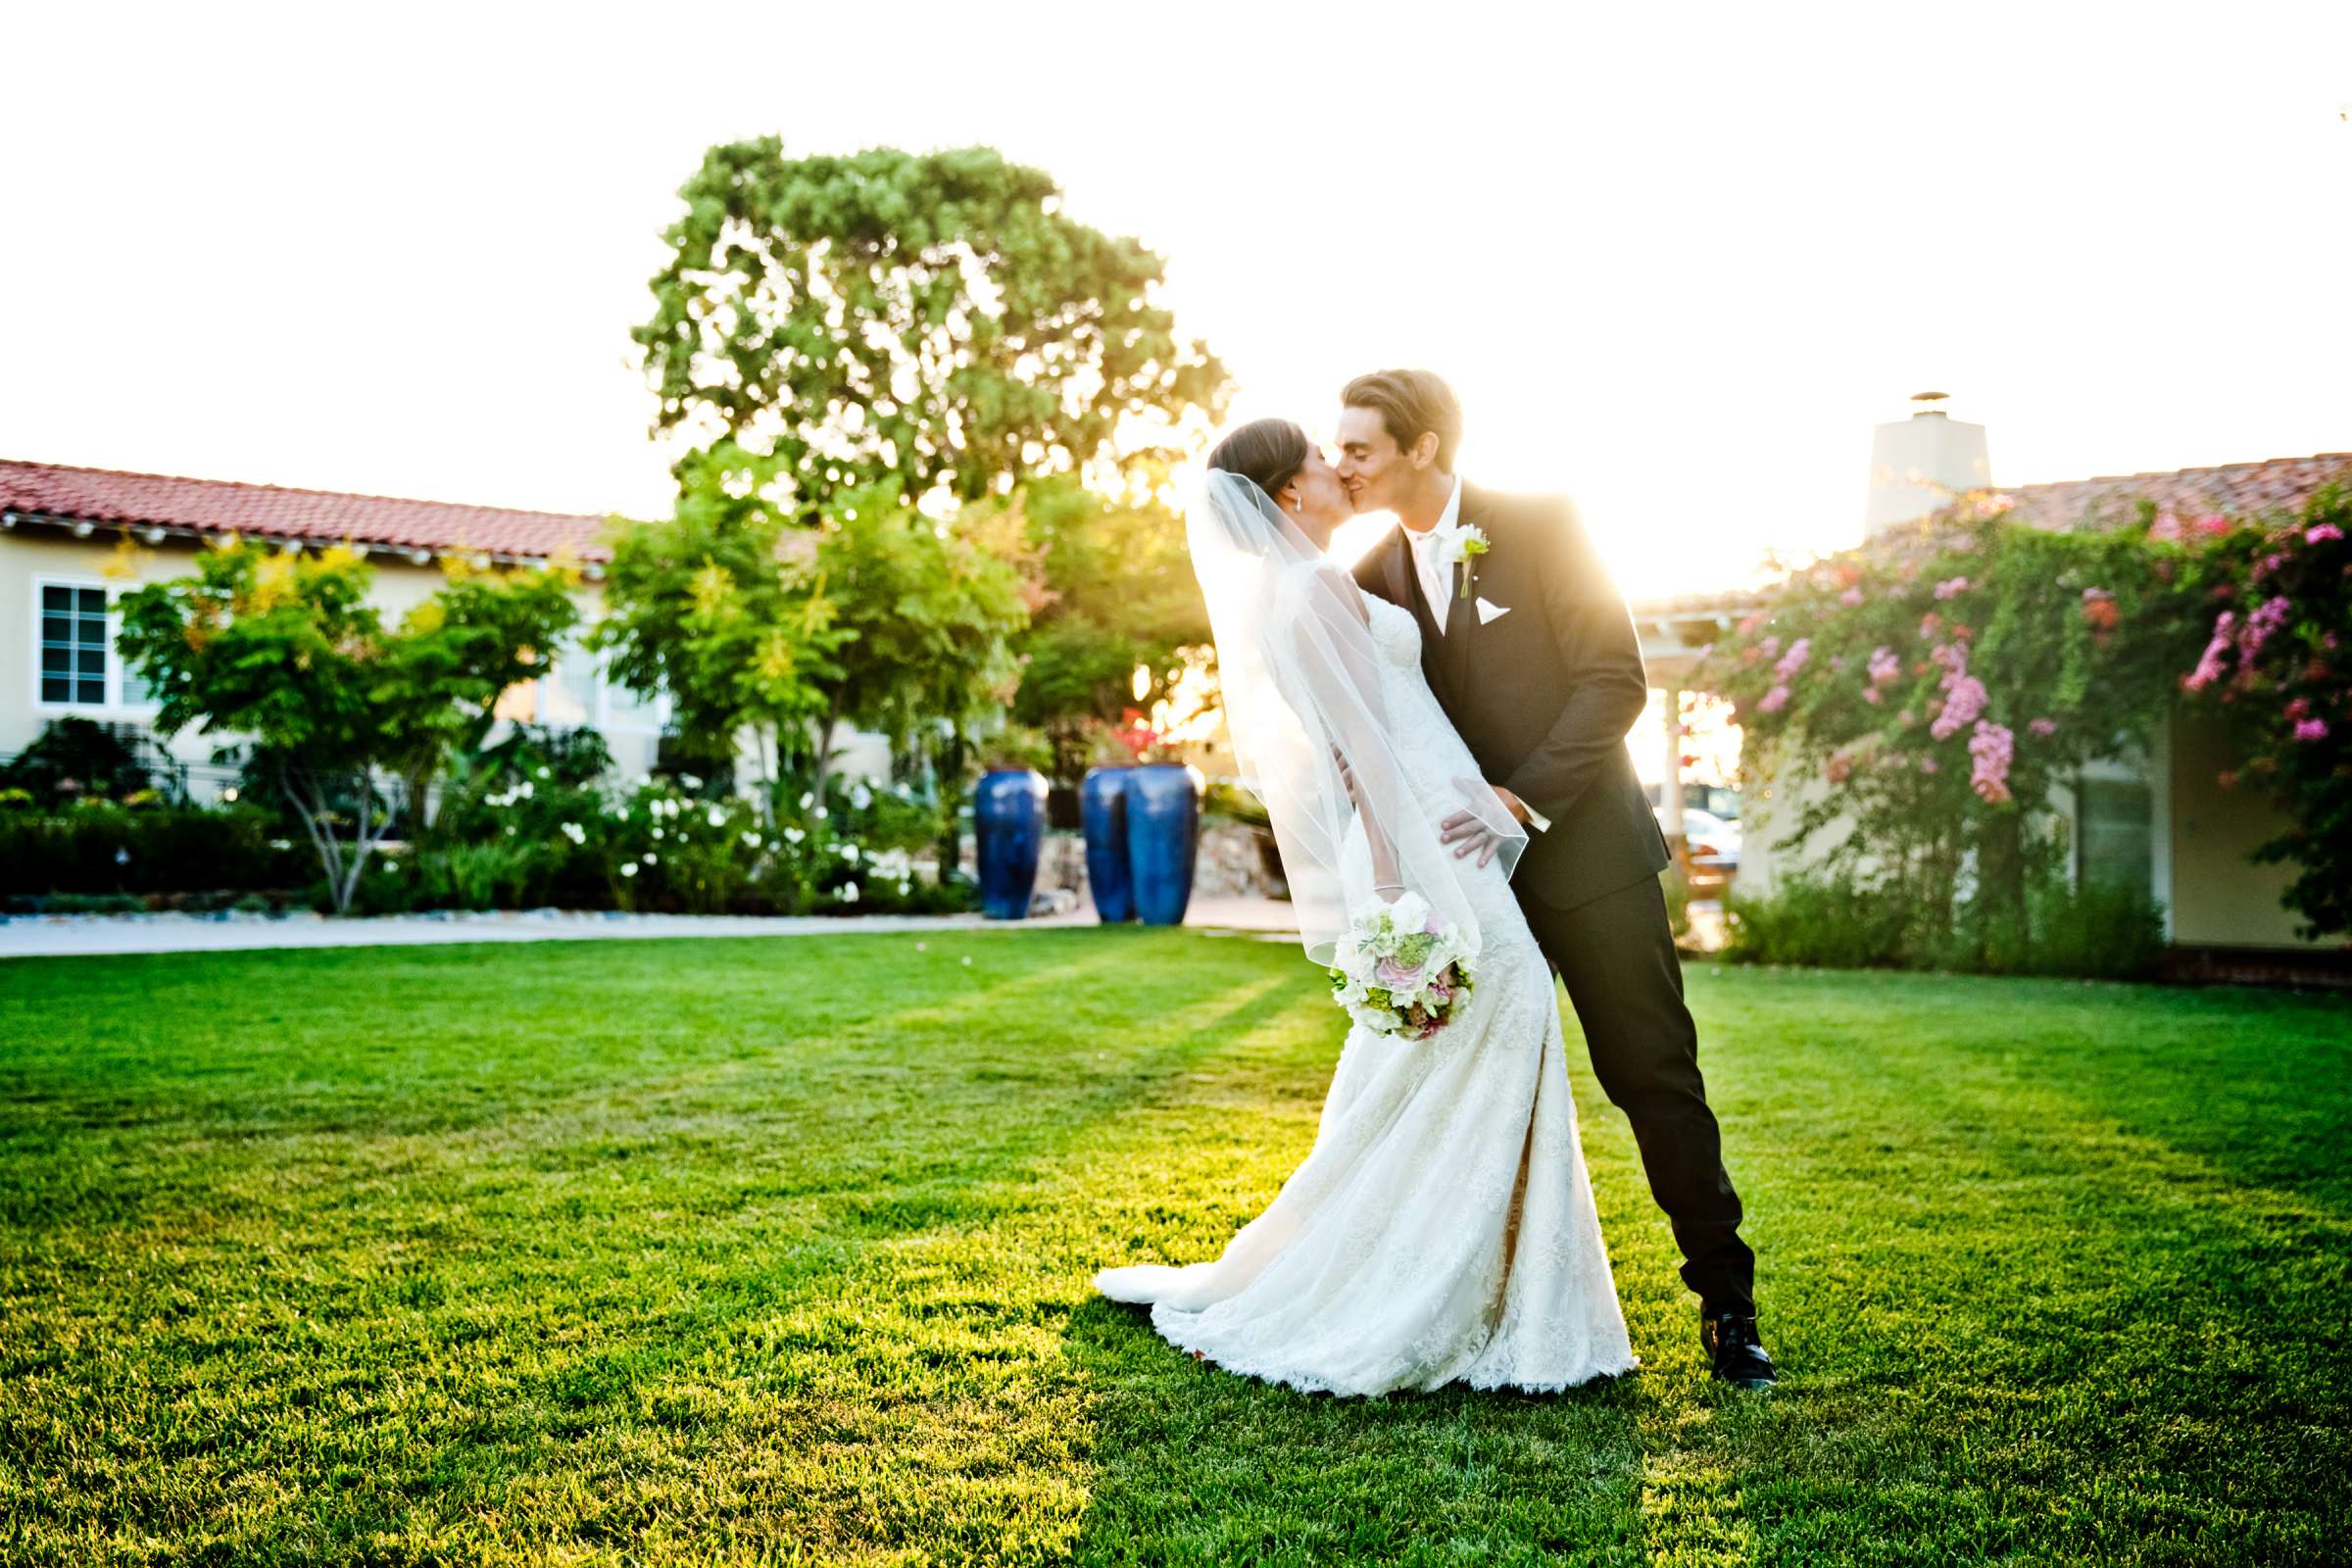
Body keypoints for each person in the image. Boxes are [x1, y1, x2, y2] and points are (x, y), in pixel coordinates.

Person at [1092, 418, 1637, 1397]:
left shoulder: (1300, 590)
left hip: (1426, 829)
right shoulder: (1316, 590)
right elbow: (1360, 753)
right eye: (1318, 461)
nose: (1339, 470)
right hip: (1422, 839)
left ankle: (1494, 1276)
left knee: (1442, 1050)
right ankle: (1437, 1283)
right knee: (1504, 1009)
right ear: (1288, 494)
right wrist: (1395, 876)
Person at [1338, 368, 1772, 1390]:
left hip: (1591, 860)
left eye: (1359, 446)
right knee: (1475, 1096)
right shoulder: (1365, 575)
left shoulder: (1543, 524)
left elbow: (1615, 678)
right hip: (1470, 893)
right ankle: (1472, 1310)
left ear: (1424, 448)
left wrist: (1520, 800)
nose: (1343, 464)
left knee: (1653, 1076)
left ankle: (1728, 1303)